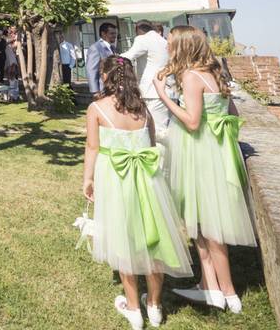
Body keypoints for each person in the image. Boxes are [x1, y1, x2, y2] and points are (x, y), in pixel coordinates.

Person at [152, 26, 256, 315]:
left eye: (171, 44)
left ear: (183, 47)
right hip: (216, 151)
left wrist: (165, 98)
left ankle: (229, 292)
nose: (168, 49)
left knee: (209, 228)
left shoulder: (190, 77)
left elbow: (193, 121)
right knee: (199, 221)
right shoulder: (215, 74)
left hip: (198, 153)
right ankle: (208, 286)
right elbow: (232, 115)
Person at [83, 56, 193, 329]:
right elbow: (152, 143)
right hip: (147, 180)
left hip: (116, 179)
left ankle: (134, 309)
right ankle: (154, 305)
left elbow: (93, 147)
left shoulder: (96, 108)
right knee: (155, 241)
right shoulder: (143, 109)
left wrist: (88, 178)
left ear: (107, 77)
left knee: (124, 242)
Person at [122, 22, 172, 148]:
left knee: (156, 132)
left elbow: (128, 56)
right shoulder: (163, 41)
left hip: (151, 92)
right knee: (163, 129)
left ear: (137, 30)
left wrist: (109, 61)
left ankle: (161, 165)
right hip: (166, 90)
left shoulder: (143, 39)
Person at [86, 23, 118, 96]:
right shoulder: (95, 48)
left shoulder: (113, 48)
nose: (115, 36)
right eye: (112, 33)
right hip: (103, 89)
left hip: (113, 88)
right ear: (103, 34)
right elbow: (91, 70)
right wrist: (95, 91)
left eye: (115, 33)